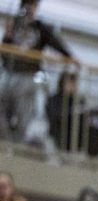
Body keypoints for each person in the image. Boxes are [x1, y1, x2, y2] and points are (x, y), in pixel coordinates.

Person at [0, 0, 75, 143]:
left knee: (25, 113)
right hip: (10, 75)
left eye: (33, 6)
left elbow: (55, 42)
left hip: (29, 78)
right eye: (27, 6)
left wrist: (70, 56)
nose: (30, 10)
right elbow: (4, 56)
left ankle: (19, 142)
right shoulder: (14, 25)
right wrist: (7, 38)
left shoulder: (40, 28)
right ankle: (5, 138)